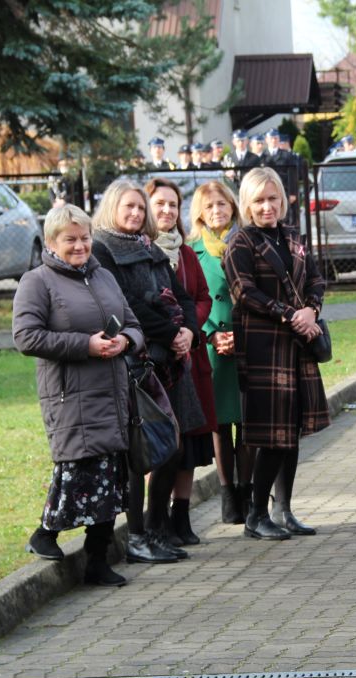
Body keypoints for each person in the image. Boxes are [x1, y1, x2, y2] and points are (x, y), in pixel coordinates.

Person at [14, 204, 145, 587]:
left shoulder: (103, 275)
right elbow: (26, 337)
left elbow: (134, 324)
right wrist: (84, 345)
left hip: (112, 393)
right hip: (70, 396)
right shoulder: (36, 282)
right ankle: (45, 532)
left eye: (85, 238)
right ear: (51, 242)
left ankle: (97, 560)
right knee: (78, 470)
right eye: (69, 239)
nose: (79, 246)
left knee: (111, 478)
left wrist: (126, 341)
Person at [92, 179, 205, 564]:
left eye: (140, 208)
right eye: (129, 206)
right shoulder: (101, 249)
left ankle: (158, 529)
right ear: (112, 207)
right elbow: (124, 305)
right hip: (136, 363)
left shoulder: (149, 246)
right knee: (139, 453)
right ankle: (137, 536)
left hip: (170, 361)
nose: (136, 213)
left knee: (172, 447)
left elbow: (183, 296)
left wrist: (189, 332)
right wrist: (172, 333)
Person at [222, 167, 330, 540]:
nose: (267, 206)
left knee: (292, 429)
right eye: (259, 200)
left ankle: (283, 510)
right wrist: (290, 315)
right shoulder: (240, 242)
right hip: (264, 348)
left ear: (282, 199)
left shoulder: (293, 236)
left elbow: (316, 278)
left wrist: (311, 310)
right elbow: (244, 292)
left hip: (297, 345)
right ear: (246, 203)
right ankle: (255, 515)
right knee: (272, 435)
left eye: (273, 198)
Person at [146, 177, 217, 547]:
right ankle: (154, 518)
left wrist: (190, 330)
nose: (167, 210)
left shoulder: (186, 253)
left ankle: (182, 516)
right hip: (158, 362)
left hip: (190, 357)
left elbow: (201, 297)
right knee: (161, 441)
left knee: (189, 442)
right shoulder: (142, 252)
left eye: (173, 204)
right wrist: (171, 334)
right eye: (159, 203)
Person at [190, 180, 253, 524]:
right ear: (200, 212)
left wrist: (241, 334)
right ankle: (228, 495)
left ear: (233, 207)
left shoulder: (247, 242)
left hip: (248, 342)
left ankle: (247, 492)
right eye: (209, 205)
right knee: (220, 424)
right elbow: (190, 300)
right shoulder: (192, 251)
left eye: (222, 204)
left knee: (246, 422)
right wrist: (213, 335)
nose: (217, 210)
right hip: (212, 346)